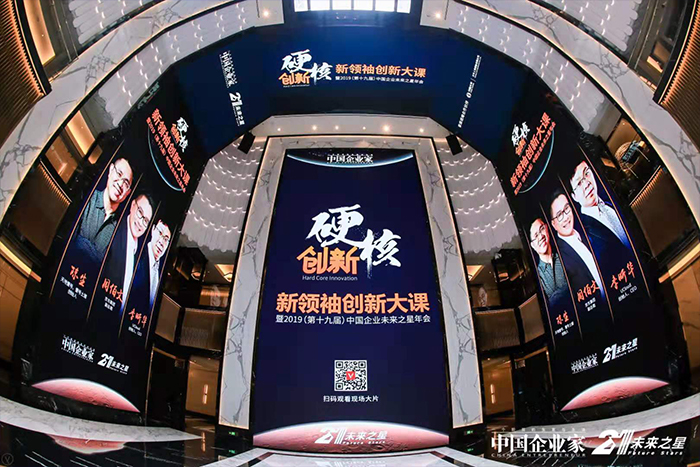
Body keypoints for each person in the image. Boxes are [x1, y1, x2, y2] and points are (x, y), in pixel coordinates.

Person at [102, 193, 153, 317]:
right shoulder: (114, 228)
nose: (141, 222)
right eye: (140, 213)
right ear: (132, 205)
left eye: (146, 221)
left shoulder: (140, 256)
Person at [75, 158, 133, 262]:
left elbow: (106, 266)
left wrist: (82, 243)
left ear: (128, 193)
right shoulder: (88, 198)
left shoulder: (119, 230)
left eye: (126, 183)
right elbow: (70, 241)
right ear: (110, 170)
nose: (120, 184)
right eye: (119, 174)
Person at [549, 191, 604, 299]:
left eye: (566, 209)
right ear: (553, 224)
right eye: (559, 215)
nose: (566, 217)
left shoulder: (589, 233)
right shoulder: (559, 259)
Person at [569, 161, 630, 249]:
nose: (586, 184)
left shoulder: (611, 200)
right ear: (574, 196)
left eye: (586, 173)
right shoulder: (586, 232)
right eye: (579, 183)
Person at [132, 219, 171, 310]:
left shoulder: (162, 271)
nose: (161, 242)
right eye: (160, 232)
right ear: (153, 230)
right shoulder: (136, 255)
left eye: (166, 239)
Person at [529, 218, 567, 302]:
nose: (541, 236)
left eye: (542, 229)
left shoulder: (565, 255)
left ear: (547, 228)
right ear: (533, 245)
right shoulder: (538, 276)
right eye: (536, 236)